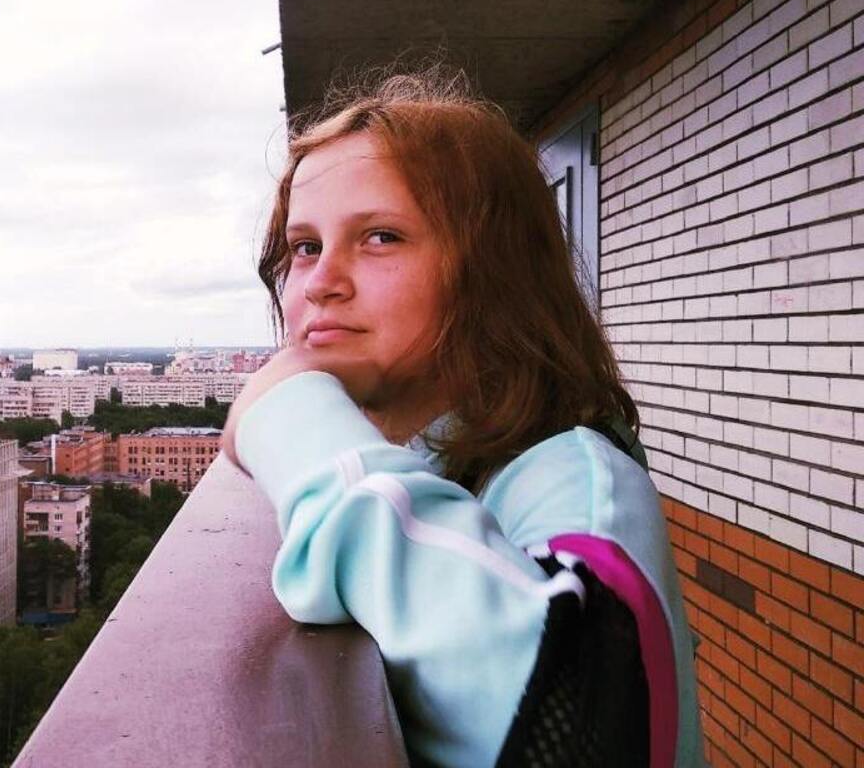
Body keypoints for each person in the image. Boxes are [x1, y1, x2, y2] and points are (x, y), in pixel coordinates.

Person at [221, 72, 701, 767]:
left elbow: (578, 727)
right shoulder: (432, 462)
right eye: (305, 247)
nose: (321, 281)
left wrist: (299, 430)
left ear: (493, 272)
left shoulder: (578, 473)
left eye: (381, 236)